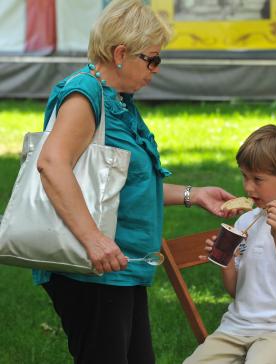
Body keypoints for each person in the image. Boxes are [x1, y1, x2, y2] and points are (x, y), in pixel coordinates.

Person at [33, 1, 237, 363]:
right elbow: (52, 163)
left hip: (120, 265)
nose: (156, 70)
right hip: (92, 267)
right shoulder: (85, 95)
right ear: (121, 53)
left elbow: (125, 184)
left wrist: (194, 194)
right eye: (153, 59)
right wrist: (93, 240)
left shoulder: (119, 102)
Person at [184, 125, 276, 364]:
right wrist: (227, 261)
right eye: (244, 176)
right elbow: (236, 292)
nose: (248, 187)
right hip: (236, 328)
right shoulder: (246, 220)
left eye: (257, 179)